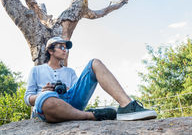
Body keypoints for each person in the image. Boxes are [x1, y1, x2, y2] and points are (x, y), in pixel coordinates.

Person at [24, 36, 157, 123]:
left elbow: (76, 91)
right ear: (51, 51)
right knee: (47, 99)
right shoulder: (36, 70)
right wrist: (41, 94)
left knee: (95, 62)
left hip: (71, 104)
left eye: (67, 48)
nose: (66, 51)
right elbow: (27, 98)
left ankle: (127, 106)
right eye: (61, 47)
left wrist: (67, 89)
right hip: (49, 105)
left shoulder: (70, 72)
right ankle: (91, 115)